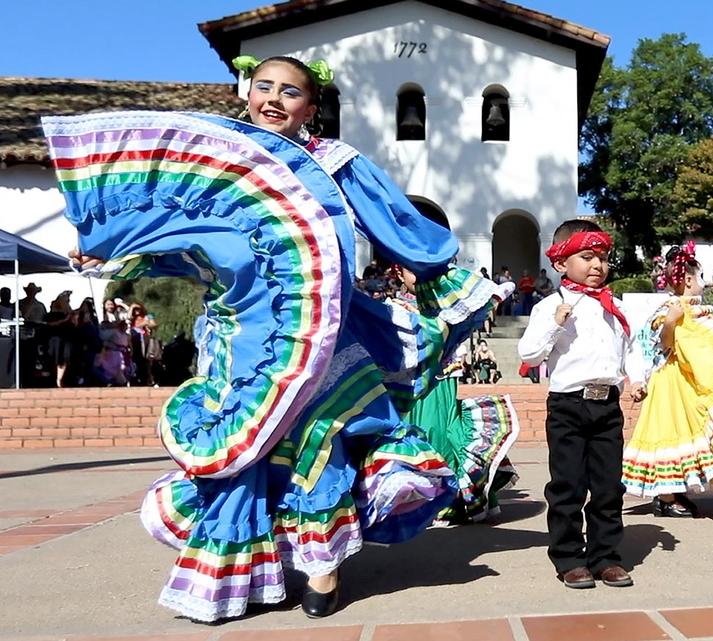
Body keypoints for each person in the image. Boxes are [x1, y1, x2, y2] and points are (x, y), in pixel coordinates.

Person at [48, 55, 502, 622]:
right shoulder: (217, 167)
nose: (274, 99)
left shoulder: (335, 164)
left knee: (319, 435)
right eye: (263, 86)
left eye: (290, 92)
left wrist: (440, 275)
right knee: (245, 451)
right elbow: (188, 242)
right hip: (237, 336)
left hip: (322, 330)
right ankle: (243, 572)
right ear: (246, 93)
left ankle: (322, 565)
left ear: (311, 108)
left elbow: (395, 224)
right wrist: (116, 248)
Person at [518, 219, 636, 590]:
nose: (597, 265)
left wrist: (639, 379)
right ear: (560, 263)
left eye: (602, 257)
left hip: (607, 407)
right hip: (569, 405)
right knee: (568, 484)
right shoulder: (549, 307)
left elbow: (629, 349)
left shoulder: (614, 306)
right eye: (586, 257)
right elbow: (530, 354)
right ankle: (569, 557)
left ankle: (606, 557)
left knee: (608, 486)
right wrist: (554, 324)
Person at [622, 243, 713, 517]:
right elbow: (665, 346)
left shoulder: (691, 308)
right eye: (700, 277)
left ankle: (674, 491)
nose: (703, 283)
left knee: (684, 432)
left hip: (686, 379)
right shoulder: (671, 308)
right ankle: (666, 495)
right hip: (672, 381)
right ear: (688, 279)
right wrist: (670, 322)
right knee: (669, 433)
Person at [393, 267, 521, 524]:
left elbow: (477, 306)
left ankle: (448, 501)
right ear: (398, 272)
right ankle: (416, 503)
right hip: (405, 382)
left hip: (440, 379)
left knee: (439, 434)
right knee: (412, 437)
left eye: (425, 267)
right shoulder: (392, 307)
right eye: (411, 268)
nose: (420, 273)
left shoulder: (444, 302)